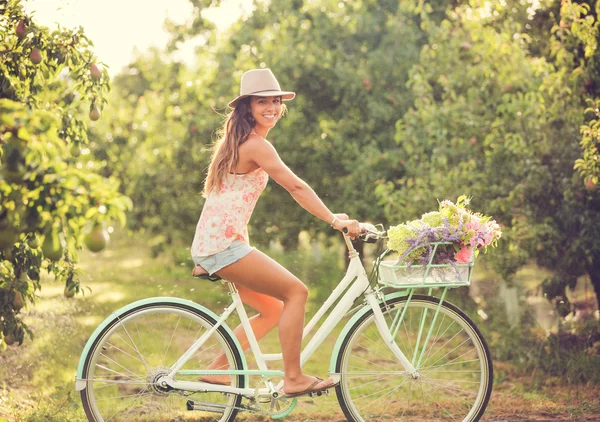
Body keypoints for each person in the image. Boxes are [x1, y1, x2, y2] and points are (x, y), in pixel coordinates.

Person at [190, 68, 361, 397]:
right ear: (247, 108)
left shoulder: (238, 141)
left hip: (218, 244)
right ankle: (293, 378)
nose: (271, 107)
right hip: (224, 247)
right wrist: (332, 220)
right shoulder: (255, 145)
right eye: (262, 102)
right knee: (296, 293)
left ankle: (216, 371)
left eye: (275, 101)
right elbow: (295, 186)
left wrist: (330, 214)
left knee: (274, 309)